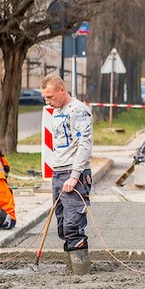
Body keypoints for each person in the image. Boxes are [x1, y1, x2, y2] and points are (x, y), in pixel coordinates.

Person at [41, 73, 93, 273]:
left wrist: (74, 176)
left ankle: (81, 269)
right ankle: (72, 267)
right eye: (45, 98)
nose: (48, 101)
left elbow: (84, 146)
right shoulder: (56, 112)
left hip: (74, 174)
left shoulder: (78, 111)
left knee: (73, 224)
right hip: (59, 172)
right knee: (62, 224)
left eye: (51, 97)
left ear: (62, 90)